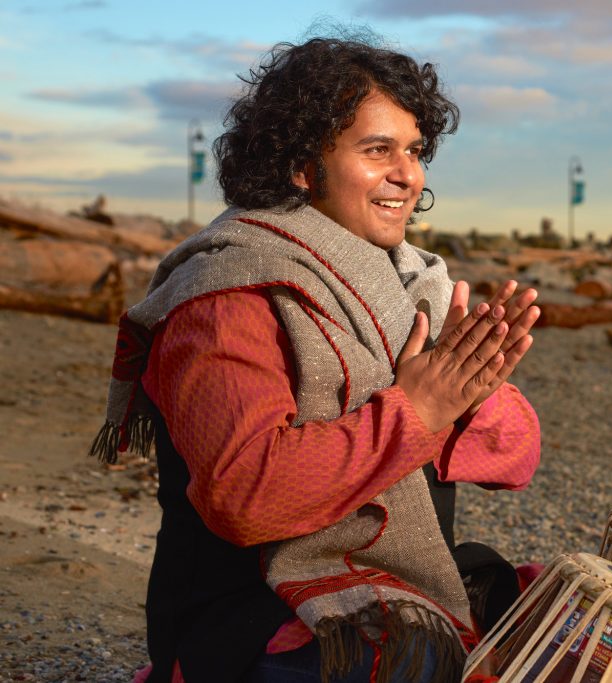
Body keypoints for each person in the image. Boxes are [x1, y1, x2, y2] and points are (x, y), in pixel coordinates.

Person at [92, 34, 541, 683]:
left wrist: (465, 392)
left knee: (595, 622)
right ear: (302, 164)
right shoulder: (227, 296)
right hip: (255, 614)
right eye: (377, 149)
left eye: (414, 150)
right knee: (410, 659)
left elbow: (517, 457)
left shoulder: (408, 287)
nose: (408, 174)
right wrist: (417, 409)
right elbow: (244, 496)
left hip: (395, 580)